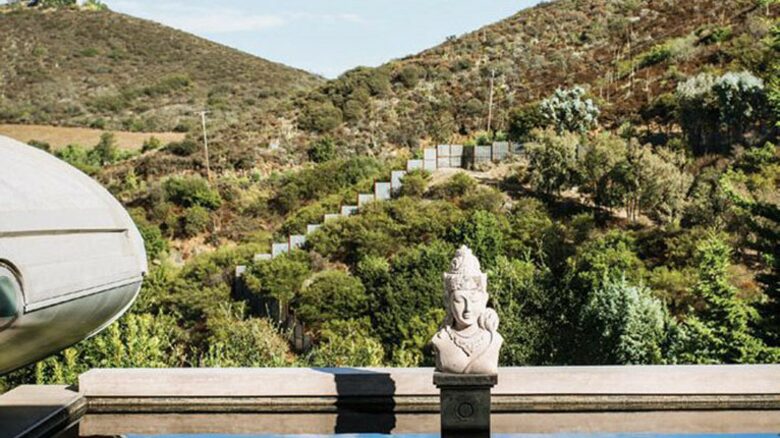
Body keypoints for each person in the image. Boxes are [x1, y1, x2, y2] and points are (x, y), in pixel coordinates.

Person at [432, 246, 502, 374]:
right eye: (459, 301)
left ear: (484, 299)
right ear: (448, 301)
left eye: (474, 300)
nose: (467, 309)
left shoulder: (493, 339)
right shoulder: (441, 340)